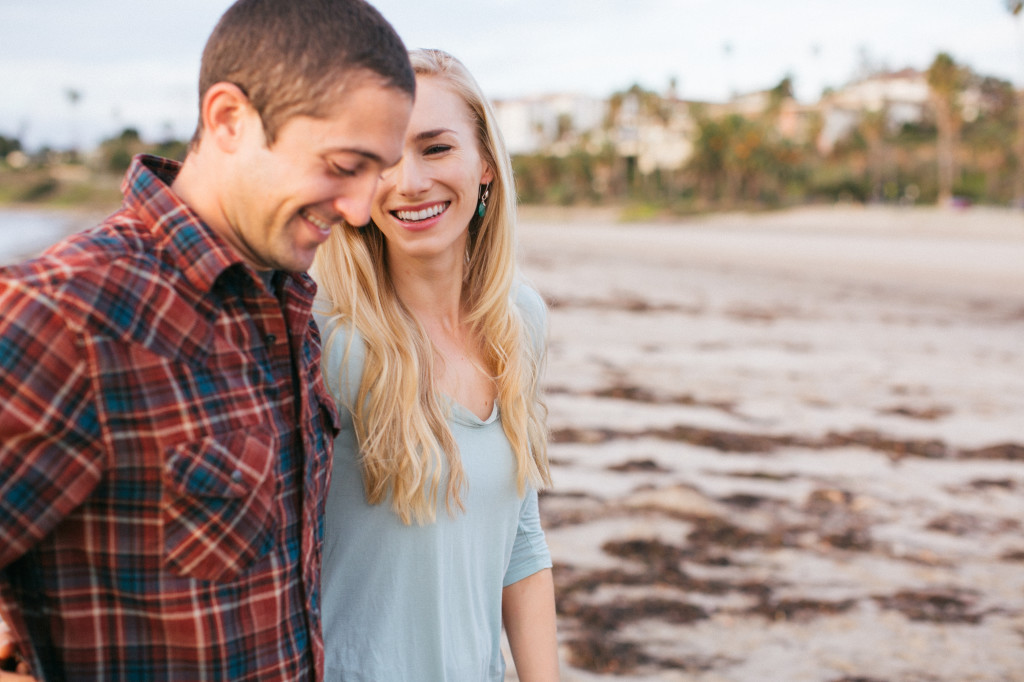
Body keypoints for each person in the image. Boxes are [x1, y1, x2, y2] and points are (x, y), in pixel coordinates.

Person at [0, 0, 413, 679]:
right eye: (343, 165)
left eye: (378, 174)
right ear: (228, 119)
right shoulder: (67, 316)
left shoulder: (286, 305)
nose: (363, 209)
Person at [311, 48, 560, 681]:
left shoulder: (518, 320)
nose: (410, 181)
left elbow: (521, 543)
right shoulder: (327, 343)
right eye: (384, 158)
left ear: (485, 167)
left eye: (436, 148)